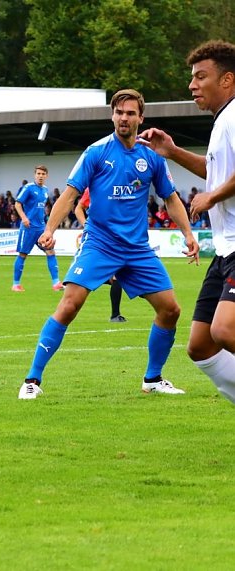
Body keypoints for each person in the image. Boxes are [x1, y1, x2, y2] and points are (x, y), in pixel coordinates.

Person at [18, 88, 199, 400]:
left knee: (170, 310)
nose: (123, 118)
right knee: (70, 304)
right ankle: (32, 379)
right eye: (118, 112)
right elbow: (70, 194)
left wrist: (188, 234)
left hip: (137, 249)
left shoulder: (151, 155)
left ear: (141, 118)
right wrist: (50, 228)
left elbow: (170, 197)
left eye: (130, 113)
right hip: (100, 245)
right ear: (112, 116)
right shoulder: (96, 152)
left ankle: (152, 378)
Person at [138, 40, 235, 404]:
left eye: (200, 77)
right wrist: (173, 152)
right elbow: (216, 172)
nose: (192, 85)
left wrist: (212, 196)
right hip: (226, 249)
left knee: (226, 329)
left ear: (227, 80)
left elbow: (218, 185)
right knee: (201, 345)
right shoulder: (223, 120)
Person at [74, 188, 127, 322]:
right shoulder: (92, 188)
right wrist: (86, 225)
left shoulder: (121, 186)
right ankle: (115, 315)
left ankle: (98, 279)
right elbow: (78, 208)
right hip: (98, 238)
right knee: (117, 276)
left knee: (120, 276)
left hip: (117, 236)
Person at [12, 165, 64, 292]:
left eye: (43, 174)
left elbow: (40, 209)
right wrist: (24, 218)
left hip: (41, 228)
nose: (40, 176)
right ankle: (16, 284)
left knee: (50, 251)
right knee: (23, 254)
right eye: (38, 173)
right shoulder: (29, 188)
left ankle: (56, 283)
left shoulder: (45, 190)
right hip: (28, 228)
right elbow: (17, 204)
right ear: (35, 175)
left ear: (46, 176)